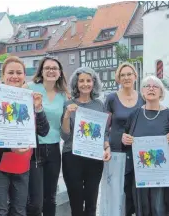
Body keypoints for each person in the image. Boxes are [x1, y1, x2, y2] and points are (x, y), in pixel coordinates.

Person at [0, 56, 50, 216]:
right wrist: (11, 146)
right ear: (3, 76)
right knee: (0, 211)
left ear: (24, 76)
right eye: (11, 72)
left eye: (19, 72)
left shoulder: (29, 98)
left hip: (23, 165)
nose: (15, 76)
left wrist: (39, 107)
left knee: (19, 211)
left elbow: (44, 131)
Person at [122, 75, 169, 216]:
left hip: (162, 173)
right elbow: (125, 142)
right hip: (141, 172)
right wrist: (124, 140)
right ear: (142, 92)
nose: (151, 88)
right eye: (147, 86)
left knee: (159, 207)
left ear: (161, 92)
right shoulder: (134, 115)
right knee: (142, 207)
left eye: (155, 86)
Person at [61, 67, 111, 216]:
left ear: (93, 83)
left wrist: (107, 147)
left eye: (88, 81)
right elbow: (64, 136)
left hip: (94, 157)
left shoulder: (99, 105)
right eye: (81, 81)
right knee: (76, 204)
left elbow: (104, 133)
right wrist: (67, 114)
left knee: (91, 203)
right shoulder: (68, 104)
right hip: (72, 156)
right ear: (76, 84)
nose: (85, 84)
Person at [24, 56, 68, 216]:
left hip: (54, 149)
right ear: (41, 71)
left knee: (50, 198)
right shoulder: (29, 87)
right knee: (35, 201)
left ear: (60, 73)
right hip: (34, 149)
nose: (51, 71)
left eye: (54, 68)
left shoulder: (63, 95)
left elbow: (65, 126)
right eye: (47, 68)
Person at [104, 62, 144, 216]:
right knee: (116, 191)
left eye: (129, 74)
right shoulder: (112, 98)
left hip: (137, 152)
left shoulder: (142, 98)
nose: (126, 77)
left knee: (134, 191)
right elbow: (105, 127)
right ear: (118, 79)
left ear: (135, 76)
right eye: (123, 75)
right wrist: (106, 145)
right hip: (117, 151)